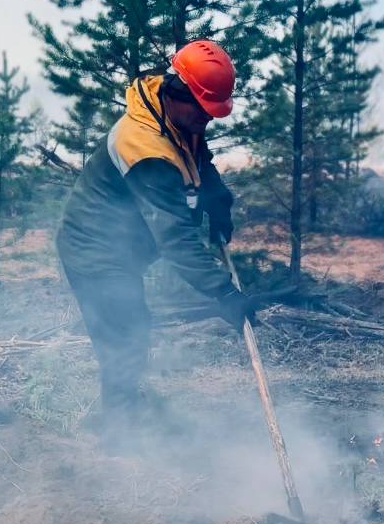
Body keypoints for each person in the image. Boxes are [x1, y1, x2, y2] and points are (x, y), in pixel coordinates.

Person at [56, 40, 256, 429]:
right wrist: (224, 293)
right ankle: (120, 434)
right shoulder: (144, 147)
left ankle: (123, 410)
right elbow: (176, 238)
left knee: (133, 329)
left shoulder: (179, 118)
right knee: (124, 335)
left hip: (122, 250)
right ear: (179, 95)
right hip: (93, 249)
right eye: (205, 113)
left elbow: (199, 158)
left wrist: (217, 199)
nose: (208, 122)